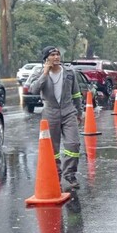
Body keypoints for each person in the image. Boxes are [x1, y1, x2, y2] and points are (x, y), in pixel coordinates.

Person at [29, 46, 83, 189]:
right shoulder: (41, 74)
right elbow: (33, 89)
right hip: (50, 113)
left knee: (73, 144)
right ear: (46, 58)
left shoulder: (70, 72)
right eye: (52, 54)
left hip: (68, 111)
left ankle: (70, 174)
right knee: (53, 149)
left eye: (57, 54)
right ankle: (56, 175)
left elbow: (76, 94)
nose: (56, 57)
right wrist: (45, 74)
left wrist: (79, 112)